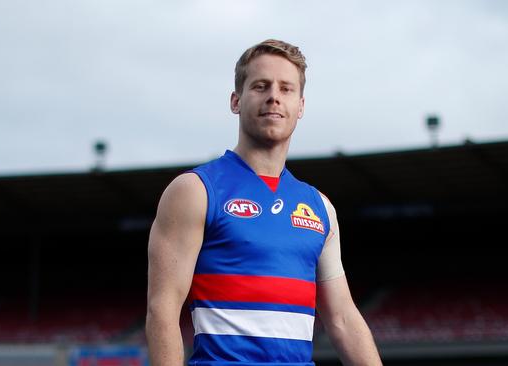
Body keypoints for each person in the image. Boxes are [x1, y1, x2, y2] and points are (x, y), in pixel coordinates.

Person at [146, 39, 382, 366]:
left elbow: (342, 317)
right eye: (261, 86)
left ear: (300, 106)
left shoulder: (319, 207)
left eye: (286, 89)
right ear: (236, 100)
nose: (274, 96)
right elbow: (162, 310)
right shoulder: (195, 191)